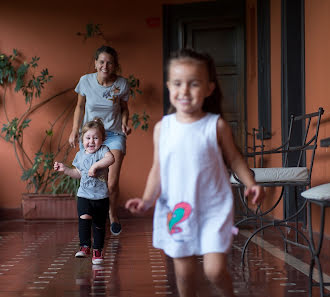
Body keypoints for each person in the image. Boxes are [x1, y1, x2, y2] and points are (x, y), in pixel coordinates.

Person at [125, 49, 264, 297]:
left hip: (213, 208)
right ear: (169, 86)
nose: (184, 91)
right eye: (177, 83)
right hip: (177, 210)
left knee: (214, 270)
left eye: (194, 84)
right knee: (185, 274)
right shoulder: (163, 129)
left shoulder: (215, 126)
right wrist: (147, 200)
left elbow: (234, 159)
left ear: (209, 89)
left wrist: (250, 183)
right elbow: (158, 168)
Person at [70, 45, 130, 236]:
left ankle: (112, 214)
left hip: (113, 135)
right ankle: (94, 214)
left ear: (115, 65)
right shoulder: (85, 81)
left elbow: (124, 108)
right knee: (90, 176)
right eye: (101, 62)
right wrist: (74, 131)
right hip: (90, 135)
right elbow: (79, 107)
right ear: (96, 63)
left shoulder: (122, 84)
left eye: (110, 62)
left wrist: (125, 123)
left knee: (111, 182)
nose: (105, 66)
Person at [55, 118, 115, 264]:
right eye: (88, 138)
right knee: (84, 218)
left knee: (99, 225)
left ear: (102, 139)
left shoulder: (103, 151)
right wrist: (66, 170)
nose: (91, 141)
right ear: (82, 139)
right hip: (84, 195)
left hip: (100, 197)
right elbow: (79, 173)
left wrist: (95, 167)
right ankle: (85, 246)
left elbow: (110, 159)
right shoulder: (80, 155)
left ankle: (98, 251)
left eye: (96, 138)